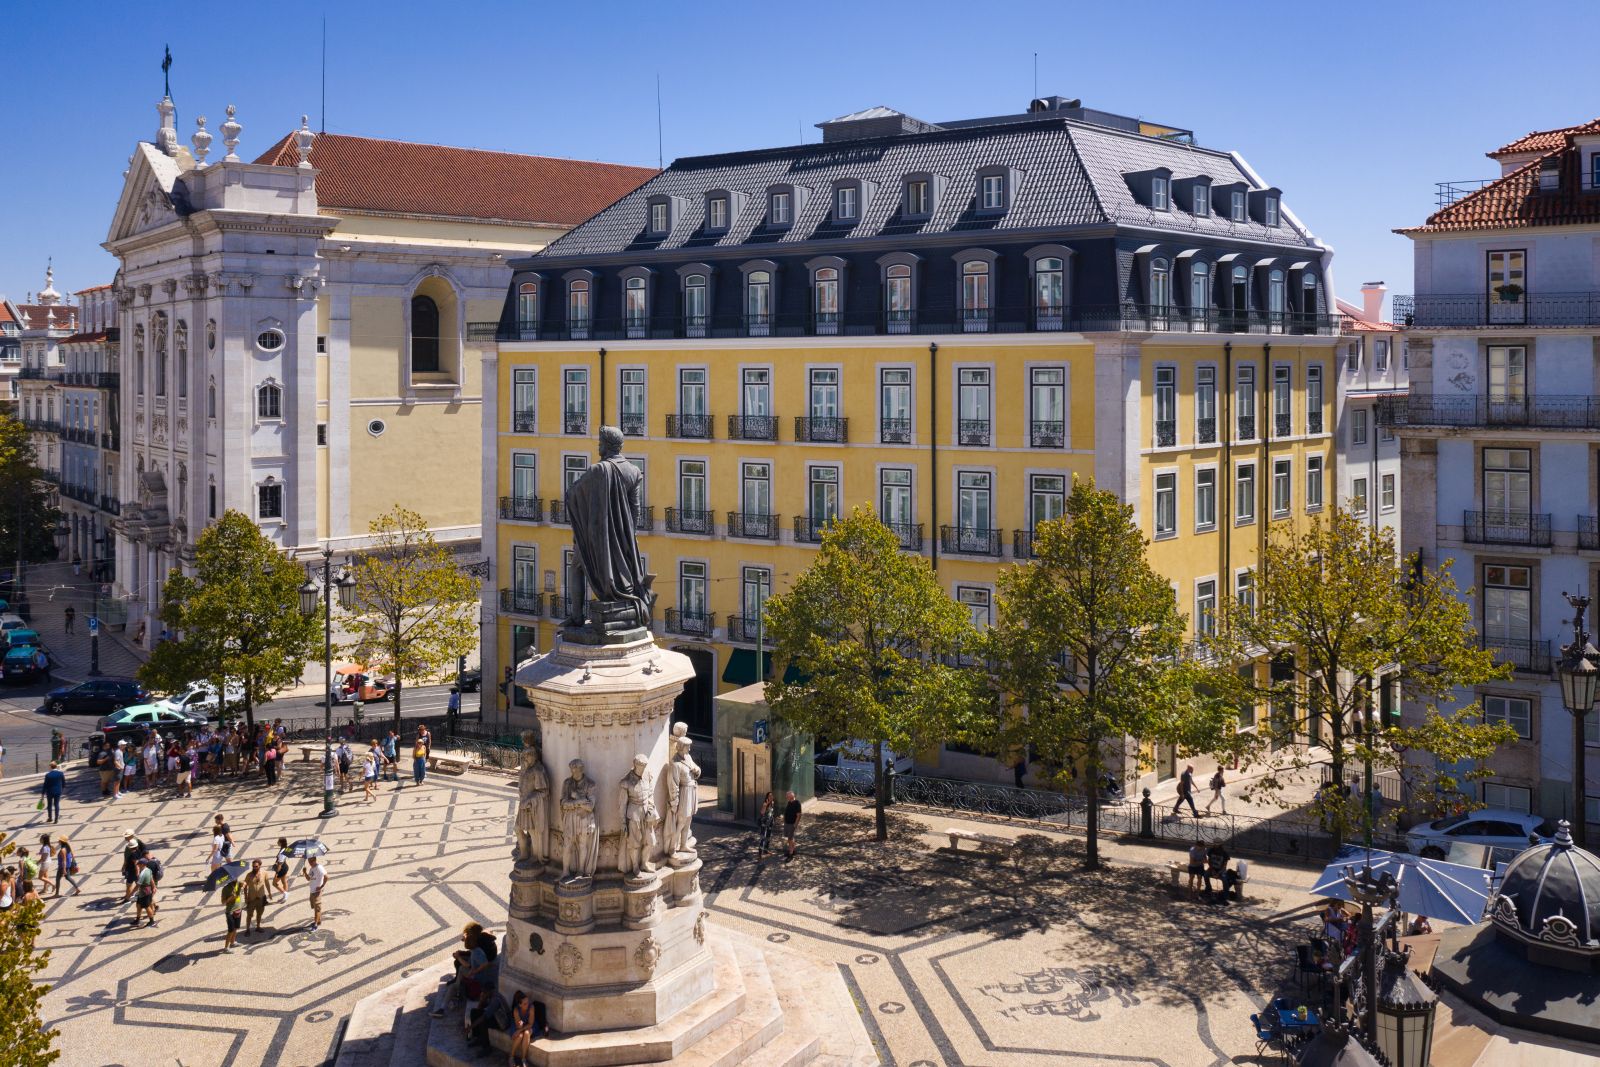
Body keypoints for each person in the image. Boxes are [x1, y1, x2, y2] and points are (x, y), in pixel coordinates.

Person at [448, 922, 492, 1007]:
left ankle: (457, 987)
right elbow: (470, 951)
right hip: (475, 965)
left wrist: (474, 971)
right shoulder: (476, 941)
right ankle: (457, 985)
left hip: (477, 975)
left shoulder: (477, 949)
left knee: (460, 966)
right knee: (460, 965)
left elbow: (479, 963)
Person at [465, 986, 512, 1053]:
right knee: (474, 1012)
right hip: (496, 1016)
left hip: (503, 1022)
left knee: (483, 1022)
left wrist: (470, 1027)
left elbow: (484, 1017)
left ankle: (486, 1048)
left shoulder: (495, 1000)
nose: (483, 993)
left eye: (484, 992)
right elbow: (479, 1009)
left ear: (489, 992)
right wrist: (481, 1000)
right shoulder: (490, 996)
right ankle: (479, 1038)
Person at [508, 989, 536, 1067]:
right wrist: (520, 1028)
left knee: (526, 1033)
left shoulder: (531, 1007)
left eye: (528, 1002)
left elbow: (530, 1023)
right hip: (519, 1024)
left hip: (530, 1025)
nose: (527, 1005)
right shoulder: (516, 1010)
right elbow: (519, 1025)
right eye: (525, 1004)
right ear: (520, 1005)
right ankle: (511, 1057)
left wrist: (520, 1030)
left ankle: (523, 1059)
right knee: (520, 1036)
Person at [242, 859, 270, 934]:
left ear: (260, 866)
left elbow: (267, 883)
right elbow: (245, 885)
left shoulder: (264, 873)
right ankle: (247, 929)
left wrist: (270, 893)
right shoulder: (249, 875)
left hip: (261, 898)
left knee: (259, 914)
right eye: (253, 866)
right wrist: (245, 897)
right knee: (249, 915)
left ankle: (258, 926)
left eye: (256, 866)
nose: (254, 868)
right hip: (251, 899)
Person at [121, 831, 147, 901]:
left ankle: (127, 898)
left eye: (126, 836)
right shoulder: (137, 848)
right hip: (134, 869)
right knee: (137, 883)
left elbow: (135, 863)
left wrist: (137, 872)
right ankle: (140, 894)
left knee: (129, 884)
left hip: (132, 870)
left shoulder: (134, 852)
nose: (125, 837)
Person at [303, 853, 327, 929]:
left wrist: (321, 886)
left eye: (311, 861)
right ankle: (318, 920)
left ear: (315, 860)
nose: (310, 863)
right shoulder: (312, 868)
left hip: (317, 892)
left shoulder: (319, 868)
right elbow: (308, 879)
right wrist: (305, 872)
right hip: (312, 890)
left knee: (317, 908)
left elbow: (326, 877)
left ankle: (315, 924)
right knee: (314, 906)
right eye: (309, 861)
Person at [133, 857, 158, 927]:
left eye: (139, 864)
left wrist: (131, 894)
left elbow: (137, 885)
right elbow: (151, 878)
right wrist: (154, 887)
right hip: (145, 892)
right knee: (138, 905)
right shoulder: (148, 870)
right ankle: (137, 920)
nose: (138, 865)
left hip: (144, 893)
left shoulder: (142, 874)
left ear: (143, 864)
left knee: (147, 907)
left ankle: (152, 921)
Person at [220, 877, 244, 951]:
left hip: (238, 909)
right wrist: (231, 898)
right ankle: (226, 947)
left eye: (236, 877)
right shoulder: (225, 889)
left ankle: (232, 943)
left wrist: (244, 884)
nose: (235, 879)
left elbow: (245, 883)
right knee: (230, 930)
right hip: (230, 911)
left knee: (236, 928)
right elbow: (223, 902)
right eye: (233, 878)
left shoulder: (238, 884)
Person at [782, 790, 802, 862]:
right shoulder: (789, 802)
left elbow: (799, 815)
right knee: (790, 838)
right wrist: (784, 821)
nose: (786, 797)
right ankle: (793, 850)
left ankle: (790, 854)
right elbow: (786, 812)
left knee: (790, 839)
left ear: (791, 796)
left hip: (792, 824)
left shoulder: (797, 803)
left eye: (787, 796)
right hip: (787, 823)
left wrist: (795, 825)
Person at [273, 837, 293, 902]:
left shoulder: (282, 852)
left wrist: (277, 873)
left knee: (274, 883)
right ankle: (285, 897)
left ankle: (285, 893)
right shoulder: (285, 849)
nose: (277, 842)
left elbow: (280, 864)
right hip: (285, 867)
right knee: (284, 882)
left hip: (282, 868)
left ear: (281, 843)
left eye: (278, 841)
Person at [756, 790, 776, 859]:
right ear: (767, 797)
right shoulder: (765, 803)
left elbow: (771, 812)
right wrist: (766, 805)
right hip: (764, 823)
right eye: (769, 796)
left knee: (768, 837)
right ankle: (759, 854)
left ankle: (766, 850)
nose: (771, 797)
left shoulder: (773, 803)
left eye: (772, 795)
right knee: (763, 838)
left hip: (770, 823)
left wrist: (773, 820)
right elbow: (762, 813)